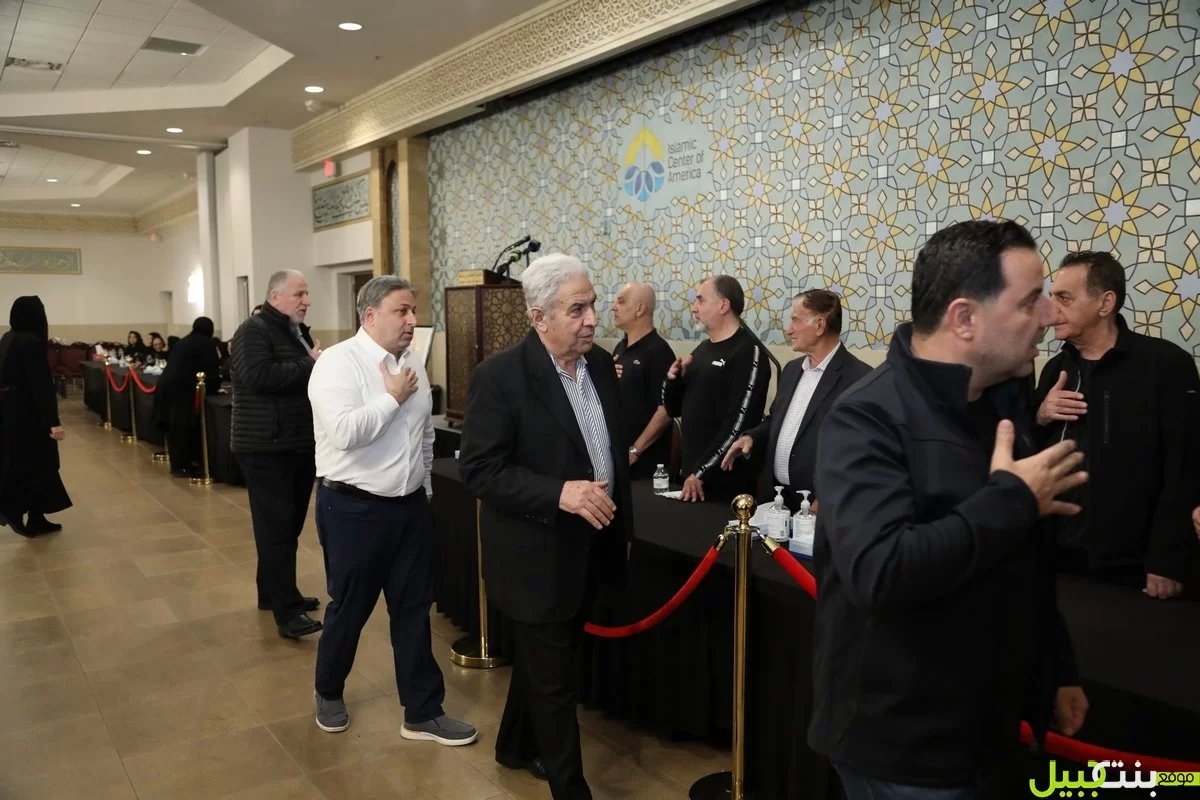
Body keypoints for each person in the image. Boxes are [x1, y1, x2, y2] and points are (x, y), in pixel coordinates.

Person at [809, 220, 1089, 798]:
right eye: (1029, 301)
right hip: (906, 749)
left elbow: (1023, 559)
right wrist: (1012, 499)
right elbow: (880, 571)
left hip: (985, 730)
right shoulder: (867, 416)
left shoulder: (1001, 402)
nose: (1048, 316)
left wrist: (1055, 668)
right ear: (964, 318)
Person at [460, 254, 631, 799]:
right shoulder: (500, 377)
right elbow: (480, 471)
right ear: (539, 317)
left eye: (593, 305)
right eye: (577, 309)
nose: (592, 319)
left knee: (551, 662)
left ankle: (514, 745)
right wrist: (559, 492)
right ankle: (569, 788)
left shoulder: (599, 364)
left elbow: (611, 452)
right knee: (556, 685)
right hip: (536, 556)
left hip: (592, 547)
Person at [308, 275, 477, 745]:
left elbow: (423, 434)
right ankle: (328, 689)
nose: (411, 320)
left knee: (413, 608)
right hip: (352, 508)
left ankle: (422, 711)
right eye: (401, 311)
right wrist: (391, 398)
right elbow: (345, 433)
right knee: (351, 607)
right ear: (370, 316)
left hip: (409, 508)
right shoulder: (337, 364)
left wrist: (424, 490)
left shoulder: (412, 363)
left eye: (413, 311)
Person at [1035, 251, 1199, 599]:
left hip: (1135, 566)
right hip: (1056, 557)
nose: (1051, 310)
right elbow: (1028, 450)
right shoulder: (1055, 369)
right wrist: (1040, 415)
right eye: (1051, 297)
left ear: (1105, 303)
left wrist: (1168, 559)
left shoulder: (1166, 365)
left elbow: (1185, 466)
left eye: (1064, 298)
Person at [231, 269, 323, 640]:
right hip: (266, 446)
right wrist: (310, 363)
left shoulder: (294, 331)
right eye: (299, 294)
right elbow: (257, 377)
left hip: (293, 443)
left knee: (285, 527)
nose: (307, 300)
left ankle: (272, 593)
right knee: (278, 528)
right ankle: (287, 613)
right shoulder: (253, 330)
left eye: (306, 293)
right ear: (275, 297)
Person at [721, 289, 871, 509]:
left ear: (819, 325)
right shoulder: (792, 370)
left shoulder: (859, 379)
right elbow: (775, 420)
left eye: (795, 320)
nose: (789, 329)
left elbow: (858, 450)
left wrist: (826, 498)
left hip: (821, 506)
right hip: (777, 499)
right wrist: (752, 438)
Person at [662, 275, 770, 502]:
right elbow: (673, 410)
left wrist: (702, 472)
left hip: (725, 485)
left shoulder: (748, 351)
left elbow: (740, 423)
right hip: (692, 480)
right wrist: (673, 381)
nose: (694, 308)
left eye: (701, 300)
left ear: (723, 305)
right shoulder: (702, 349)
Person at [0, 296, 71, 537]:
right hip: (30, 416)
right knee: (39, 464)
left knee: (27, 464)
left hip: (10, 411)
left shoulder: (8, 337)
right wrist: (53, 422)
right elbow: (40, 385)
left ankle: (37, 517)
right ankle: (14, 510)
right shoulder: (31, 342)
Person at [611, 282, 675, 480]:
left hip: (645, 463)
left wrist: (635, 450)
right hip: (618, 454)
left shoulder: (658, 352)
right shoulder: (620, 348)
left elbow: (666, 410)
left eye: (621, 302)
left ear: (639, 309)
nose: (613, 307)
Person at [156, 317, 221, 477]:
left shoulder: (184, 341)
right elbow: (210, 370)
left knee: (174, 428)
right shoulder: (206, 343)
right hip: (183, 391)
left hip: (168, 387)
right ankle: (183, 465)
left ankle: (179, 464)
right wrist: (214, 387)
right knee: (183, 428)